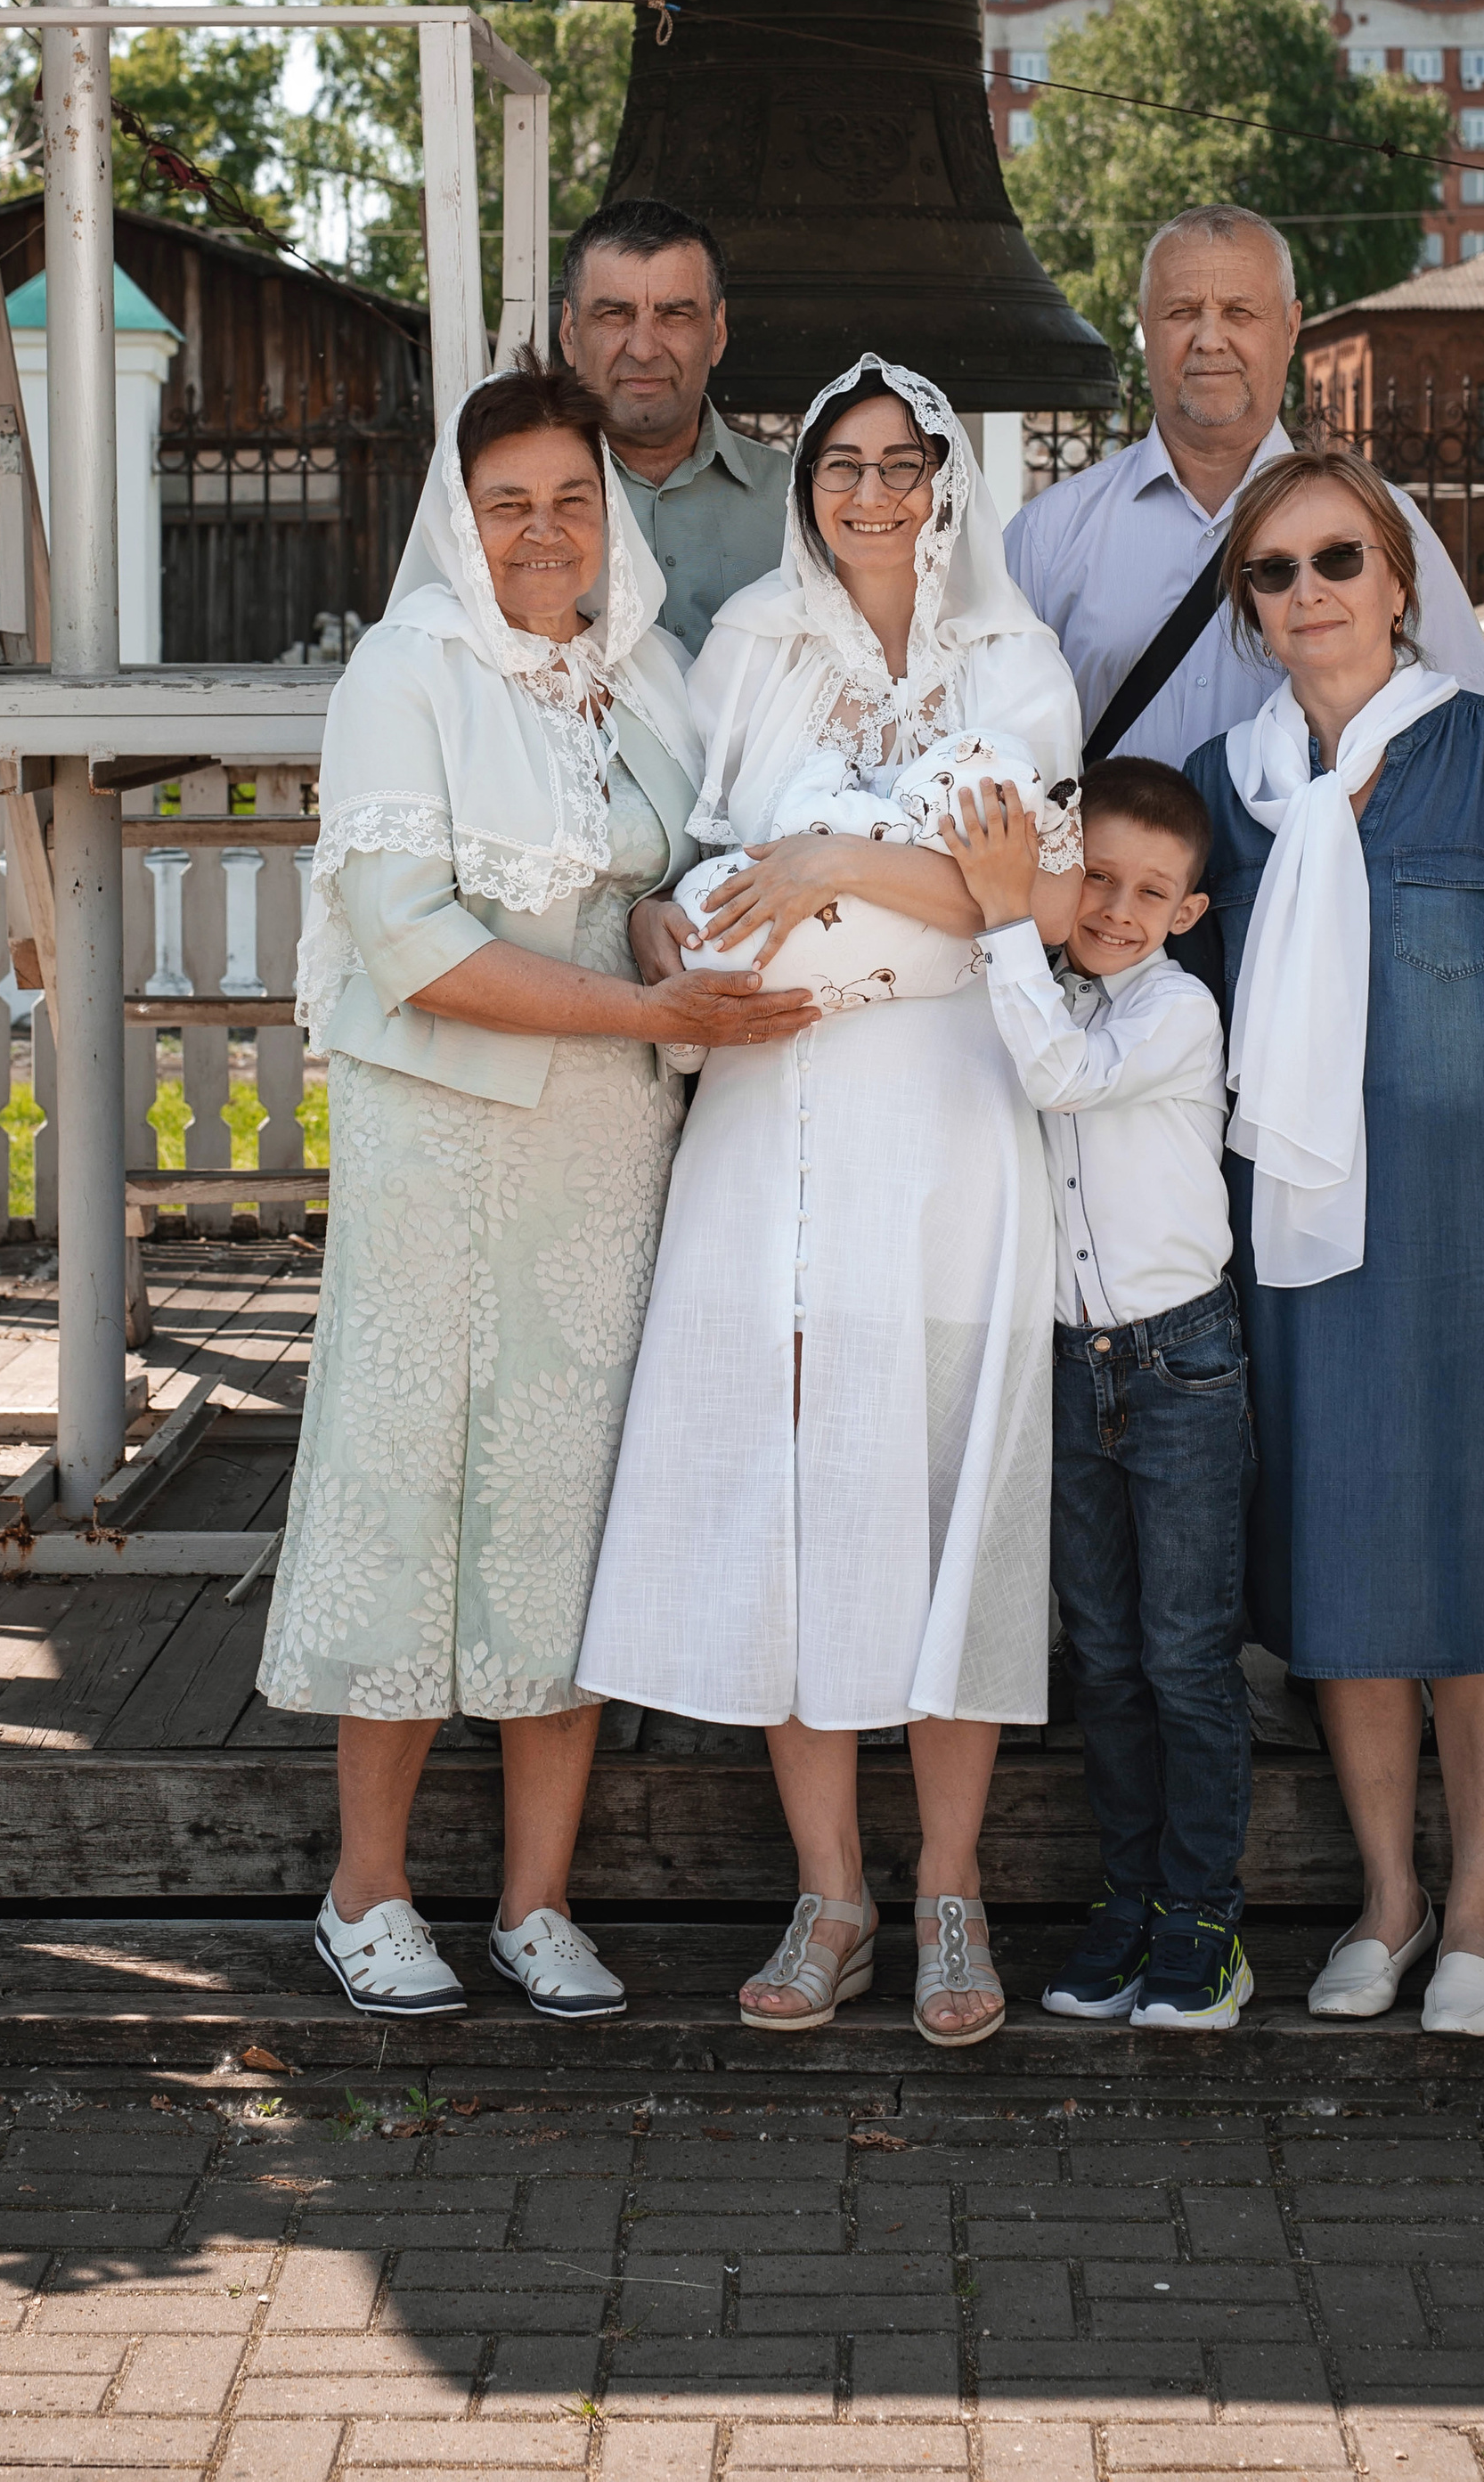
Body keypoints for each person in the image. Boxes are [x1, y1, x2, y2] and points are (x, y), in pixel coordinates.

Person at [262, 352, 816, 2028]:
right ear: (462, 513)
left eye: (573, 498)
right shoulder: (405, 672)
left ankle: (536, 1900)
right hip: (446, 1128)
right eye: (510, 504)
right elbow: (413, 942)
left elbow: (652, 874)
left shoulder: (638, 669)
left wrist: (664, 942)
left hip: (606, 1139)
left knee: (568, 1492)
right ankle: (366, 1894)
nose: (546, 531)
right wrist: (644, 1001)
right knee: (413, 1472)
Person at [577, 356, 1085, 2047]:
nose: (869, 493)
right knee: (789, 1482)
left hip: (946, 1108)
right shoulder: (747, 650)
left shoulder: (1011, 662)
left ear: (947, 477)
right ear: (805, 490)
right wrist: (673, 930)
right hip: (771, 1106)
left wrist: (832, 863)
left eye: (900, 462)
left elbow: (1027, 893)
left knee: (939, 1485)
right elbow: (684, 857)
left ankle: (950, 1891)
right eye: (839, 466)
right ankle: (833, 1893)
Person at [1182, 445, 1484, 2040]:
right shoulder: (1219, 790)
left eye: (1338, 561)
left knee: (1479, 1562)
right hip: (1304, 1250)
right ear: (1249, 613)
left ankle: (1480, 1909)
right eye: (1276, 572)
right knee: (1344, 1562)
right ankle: (1386, 1896)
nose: (1309, 593)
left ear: (1399, 583)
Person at [944, 752, 1254, 2034]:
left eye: (1152, 890)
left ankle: (1204, 1919)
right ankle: (1125, 1909)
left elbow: (1061, 1076)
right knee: (1110, 1661)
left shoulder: (1172, 1013)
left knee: (1186, 1659)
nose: (1119, 909)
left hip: (1180, 1365)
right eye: (1101, 881)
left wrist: (1012, 915)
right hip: (1075, 1367)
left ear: (1188, 910)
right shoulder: (1045, 991)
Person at [1006, 203, 1484, 770]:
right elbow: (990, 746)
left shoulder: (1384, 525)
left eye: (1240, 312)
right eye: (1182, 311)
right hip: (1106, 861)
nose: (1209, 339)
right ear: (1145, 326)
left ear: (1290, 329)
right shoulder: (1046, 541)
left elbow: (1466, 741)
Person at [557, 195, 791, 653]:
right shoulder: (520, 505)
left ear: (717, 332)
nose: (643, 349)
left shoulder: (803, 502)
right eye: (614, 314)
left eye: (675, 314)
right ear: (568, 332)